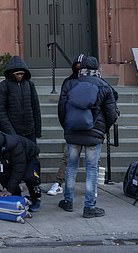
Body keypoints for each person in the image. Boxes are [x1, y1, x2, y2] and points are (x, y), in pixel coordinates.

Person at [48, 54, 119, 196]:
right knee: (91, 167)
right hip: (93, 131)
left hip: (74, 131)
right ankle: (90, 204)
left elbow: (61, 110)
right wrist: (103, 129)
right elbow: (111, 113)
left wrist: (67, 126)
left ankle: (68, 200)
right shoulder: (103, 84)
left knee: (72, 166)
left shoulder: (70, 84)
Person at [47, 54, 85, 196]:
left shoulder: (96, 81)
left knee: (93, 161)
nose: (80, 68)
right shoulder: (69, 82)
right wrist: (66, 124)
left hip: (91, 127)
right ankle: (59, 183)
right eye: (78, 65)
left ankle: (92, 187)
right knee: (68, 156)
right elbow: (62, 106)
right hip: (73, 125)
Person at [0, 56, 42, 143]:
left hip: (29, 130)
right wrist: (10, 132)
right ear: (12, 73)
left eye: (22, 74)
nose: (20, 76)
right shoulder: (3, 86)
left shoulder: (29, 85)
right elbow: (1, 111)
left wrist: (37, 130)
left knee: (31, 155)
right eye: (17, 74)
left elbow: (36, 108)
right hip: (12, 130)